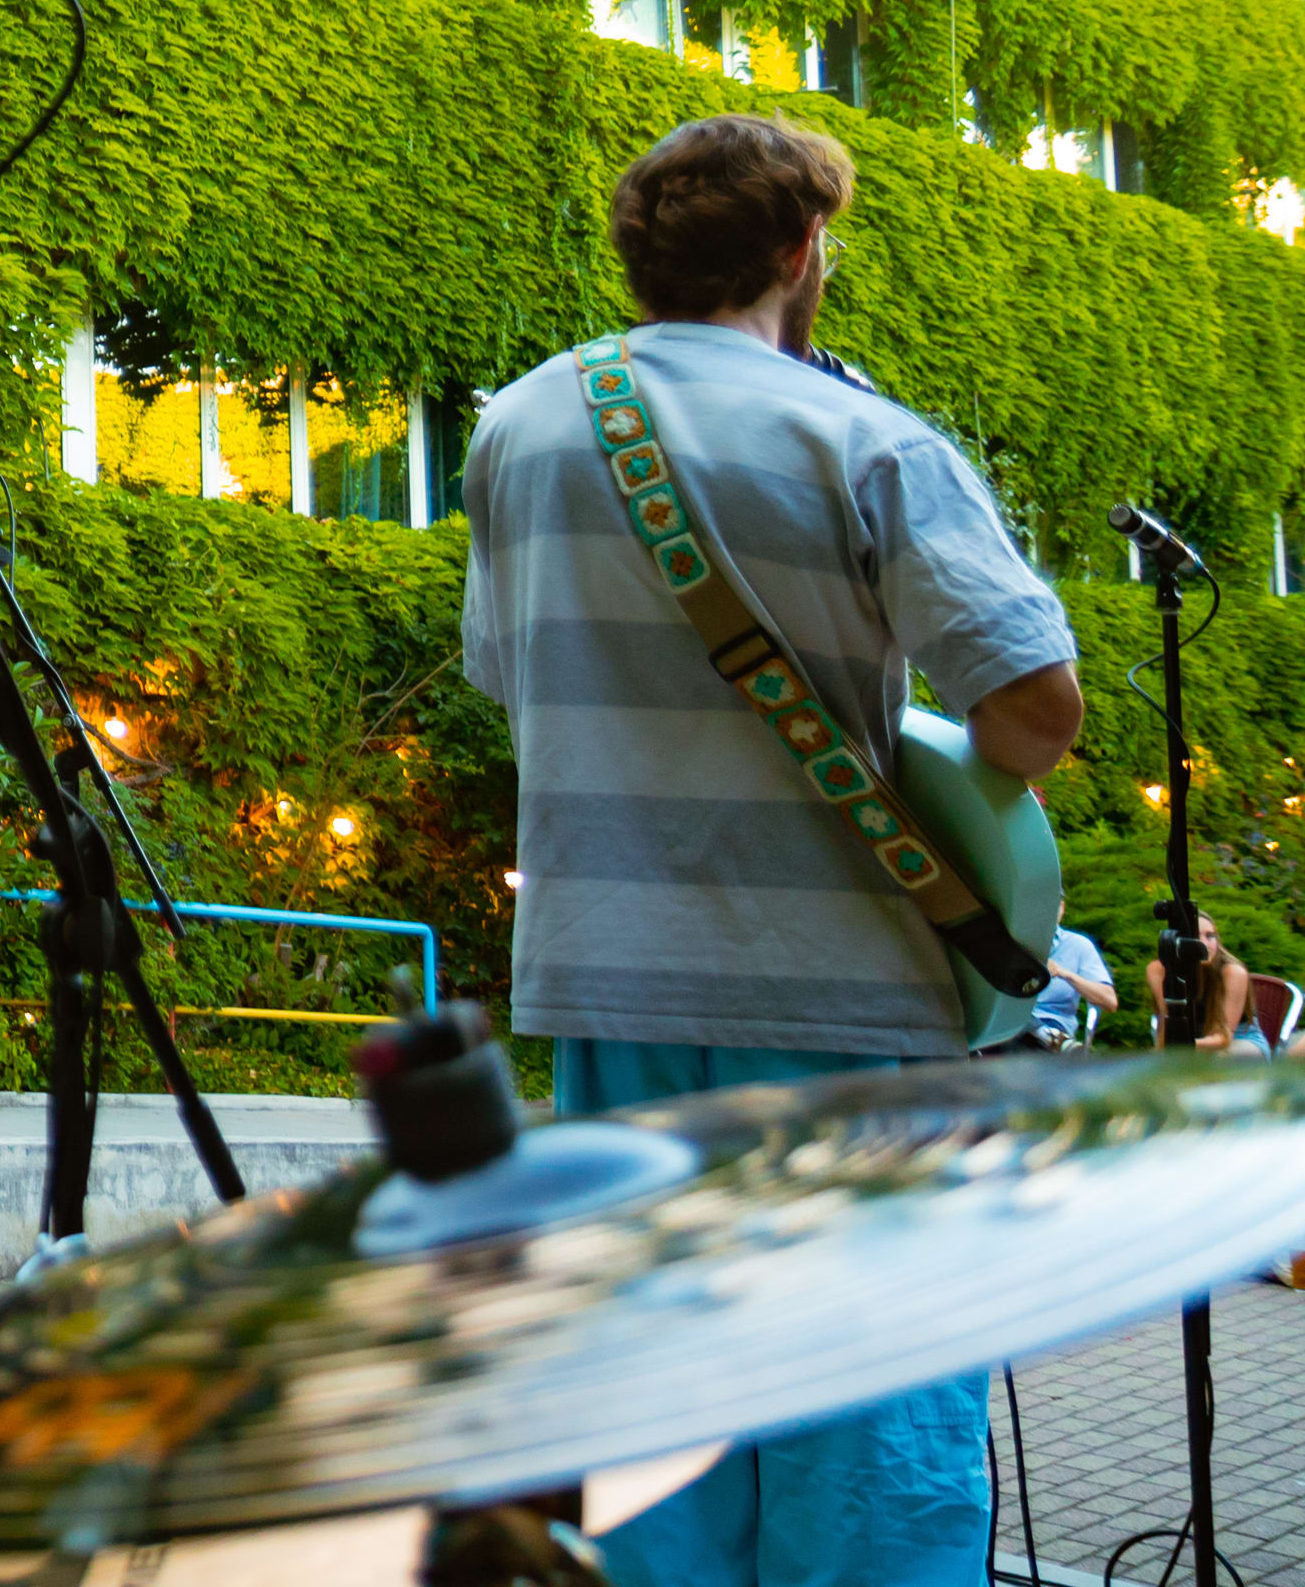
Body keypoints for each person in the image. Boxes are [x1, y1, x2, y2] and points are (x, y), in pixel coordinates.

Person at [463, 112, 1084, 1587]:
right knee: (860, 1415)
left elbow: (510, 678)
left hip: (606, 986)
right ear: (805, 249)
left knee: (652, 1400)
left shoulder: (518, 427)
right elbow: (1035, 709)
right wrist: (942, 776)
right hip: (839, 1003)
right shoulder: (864, 438)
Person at [1139, 906, 1257, 1053]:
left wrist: (1184, 1046)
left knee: (1215, 1061)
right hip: (1190, 1040)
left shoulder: (1233, 972)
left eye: (1210, 936)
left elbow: (1223, 1037)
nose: (1204, 943)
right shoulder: (1158, 969)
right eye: (1196, 936)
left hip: (1239, 1038)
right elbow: (1167, 1022)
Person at [1023, 894, 1116, 1050]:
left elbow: (1109, 1001)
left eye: (1054, 904)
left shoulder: (1078, 945)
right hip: (1011, 1026)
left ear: (1062, 908)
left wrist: (1064, 973)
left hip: (1054, 1024)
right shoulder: (1015, 943)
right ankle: (1046, 1034)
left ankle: (1049, 1036)